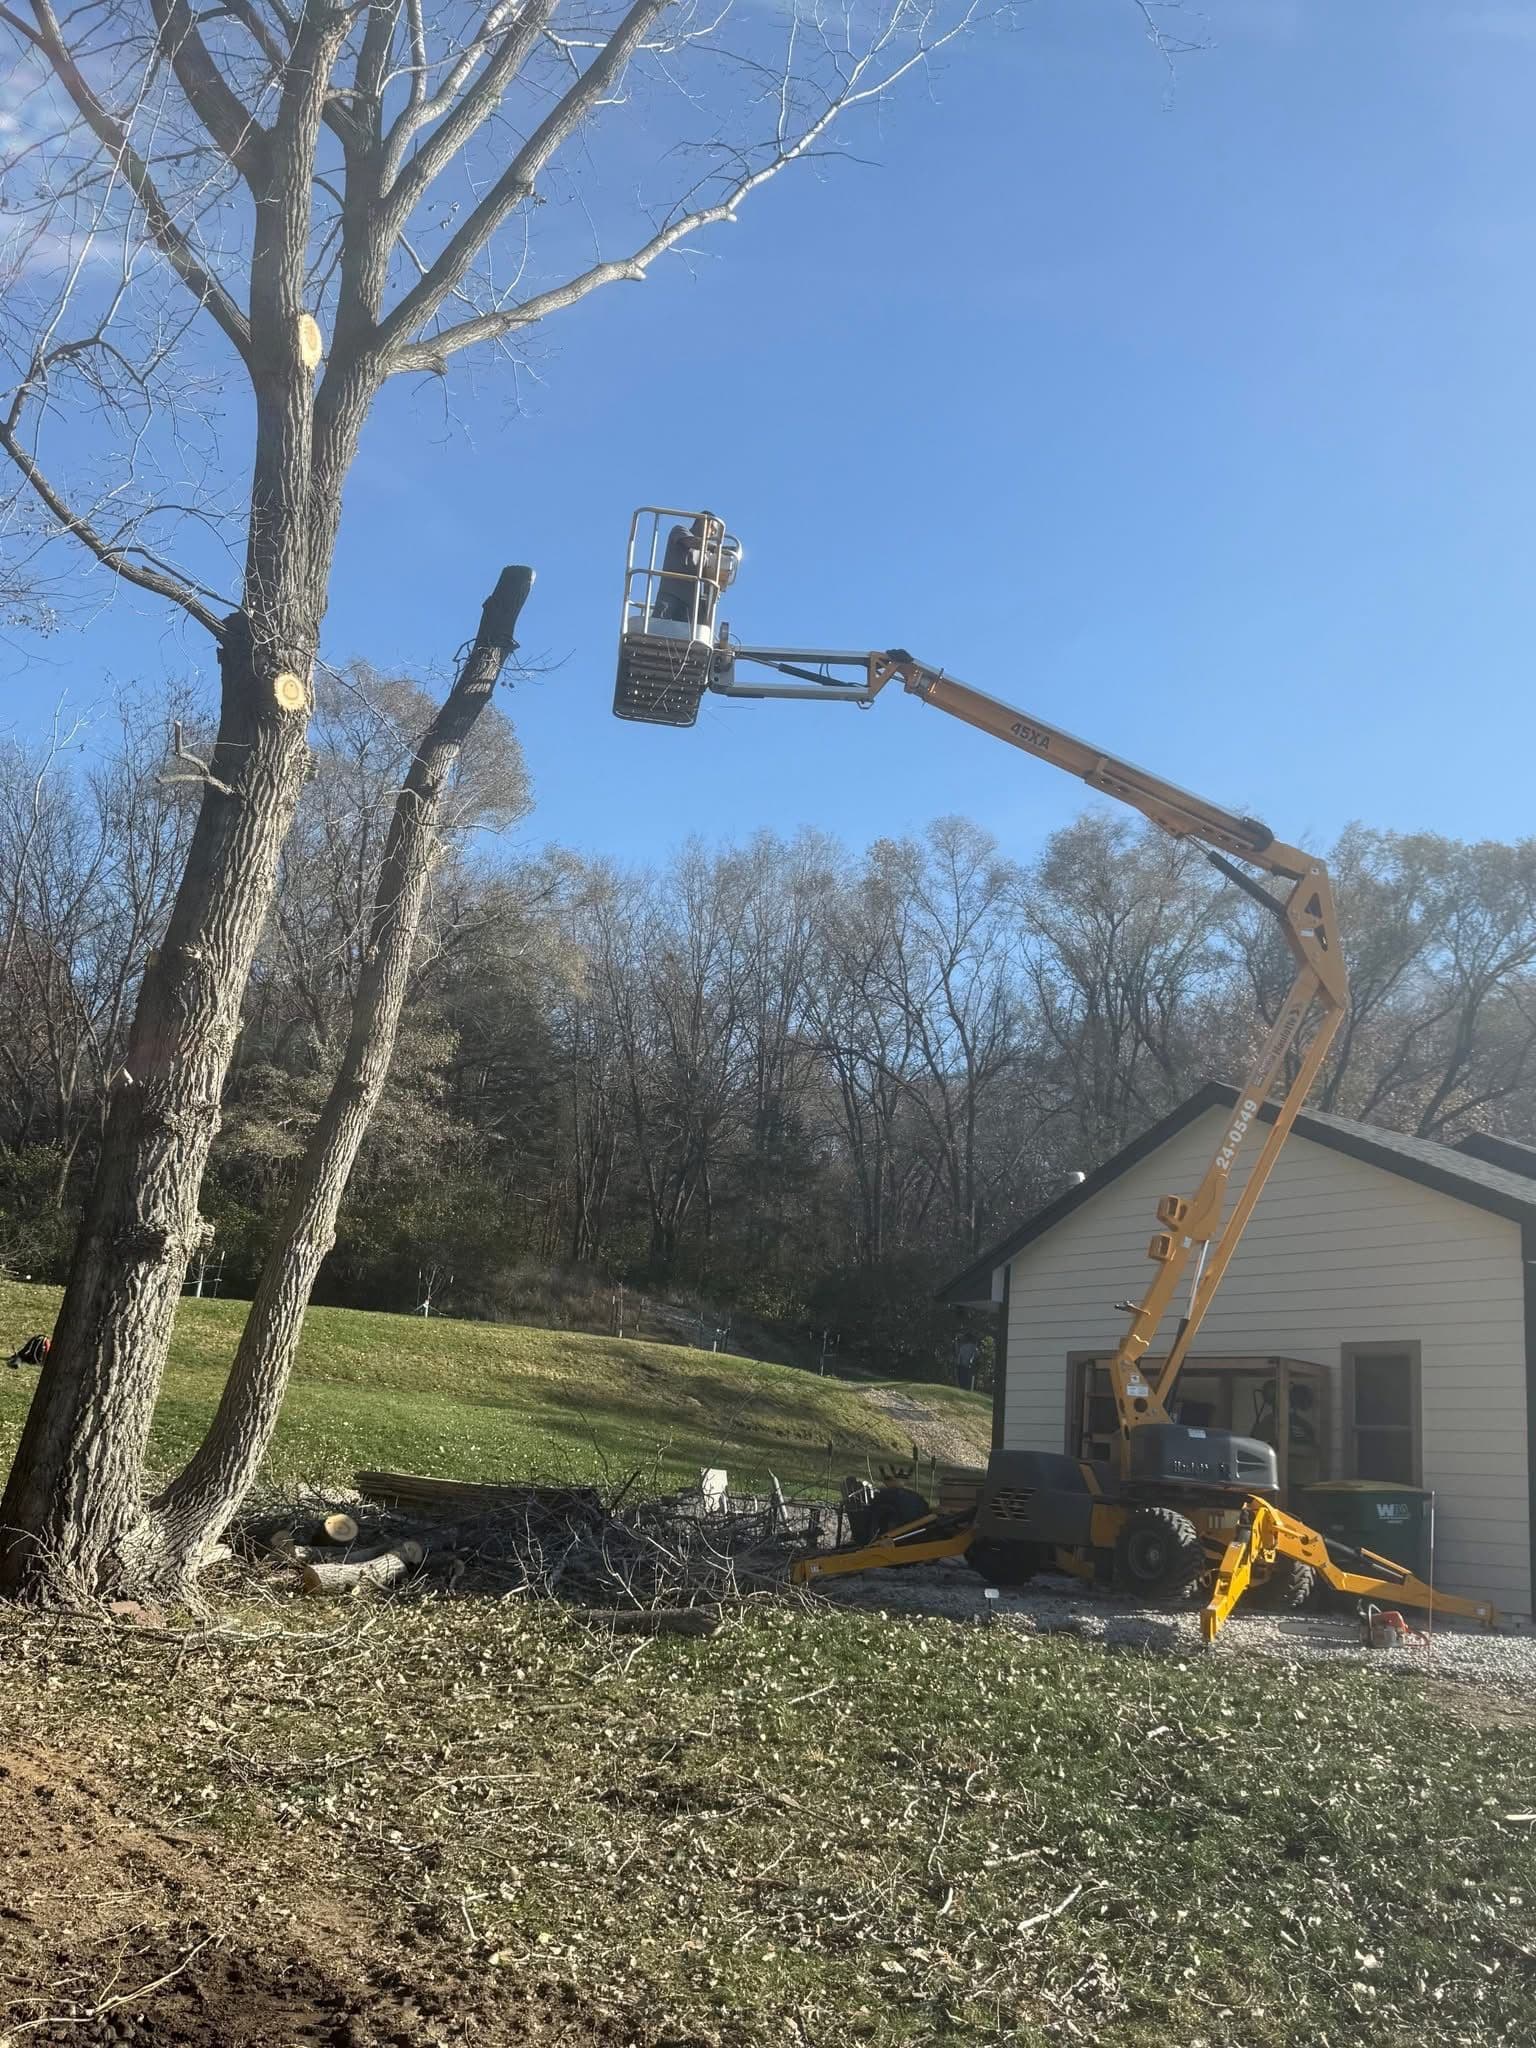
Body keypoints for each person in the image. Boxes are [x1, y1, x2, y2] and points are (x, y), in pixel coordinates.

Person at [652, 514, 734, 630]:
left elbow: (708, 577)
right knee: (657, 626)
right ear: (702, 521)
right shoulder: (679, 531)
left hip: (689, 601)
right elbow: (691, 542)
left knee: (686, 632)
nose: (712, 533)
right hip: (671, 592)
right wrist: (716, 549)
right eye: (712, 528)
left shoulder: (704, 556)